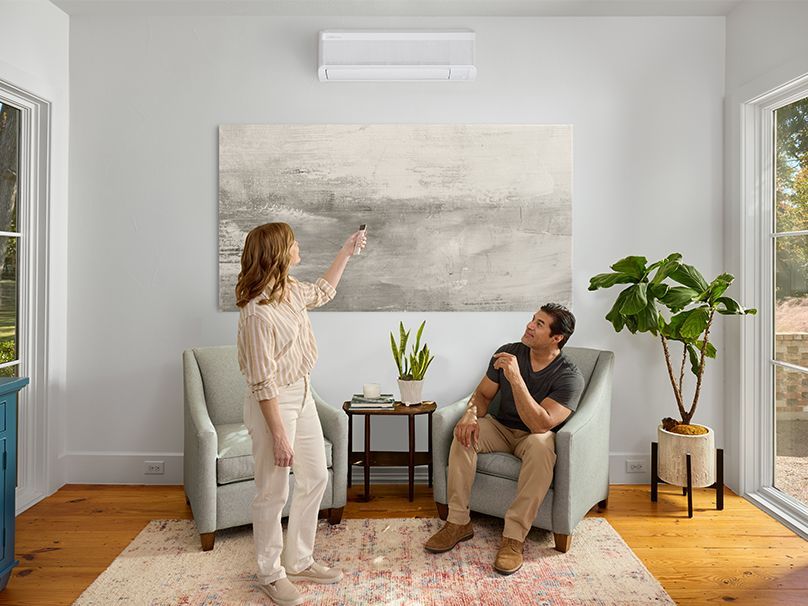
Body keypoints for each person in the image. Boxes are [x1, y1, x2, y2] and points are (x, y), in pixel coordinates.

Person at [236, 222, 366, 606]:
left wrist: (346, 251)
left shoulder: (289, 290)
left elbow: (323, 292)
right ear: (277, 253)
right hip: (272, 405)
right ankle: (270, 573)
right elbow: (262, 382)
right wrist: (278, 434)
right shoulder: (256, 313)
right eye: (293, 243)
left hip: (303, 394)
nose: (298, 246)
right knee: (273, 491)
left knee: (313, 478)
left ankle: (299, 559)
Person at [424, 303, 584, 575]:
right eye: (533, 319)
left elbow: (540, 424)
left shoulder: (569, 376)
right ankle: (458, 522)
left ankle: (513, 538)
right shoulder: (509, 351)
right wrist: (470, 415)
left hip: (533, 436)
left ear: (557, 338)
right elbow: (483, 396)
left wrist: (516, 378)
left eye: (540, 324)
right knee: (464, 434)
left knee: (543, 446)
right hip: (501, 428)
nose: (529, 326)